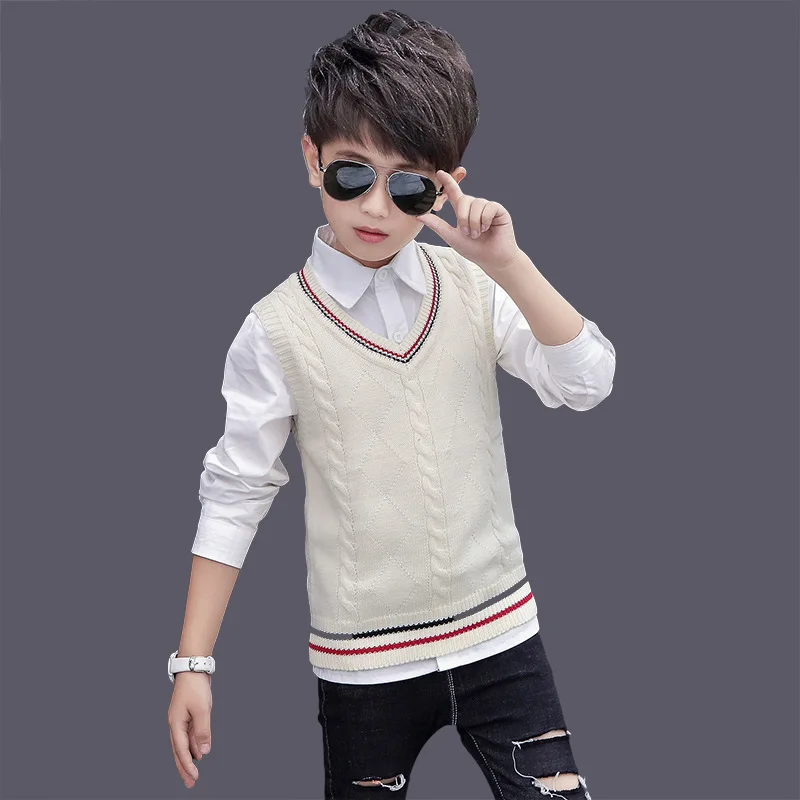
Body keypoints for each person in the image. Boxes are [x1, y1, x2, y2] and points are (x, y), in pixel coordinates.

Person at [167, 9, 615, 799]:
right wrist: (193, 664)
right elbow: (235, 493)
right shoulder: (274, 331)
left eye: (408, 185)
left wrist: (508, 263)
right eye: (352, 173)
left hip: (503, 640)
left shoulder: (475, 286)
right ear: (312, 159)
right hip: (363, 668)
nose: (375, 207)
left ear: (446, 185)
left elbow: (587, 382)